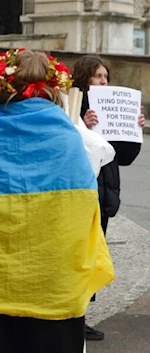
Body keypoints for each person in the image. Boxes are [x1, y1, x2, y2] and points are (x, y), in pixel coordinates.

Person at [0, 49, 114, 353]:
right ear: (52, 87)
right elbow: (84, 203)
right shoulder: (67, 135)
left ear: (4, 84)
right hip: (50, 289)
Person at [72, 54, 145, 341]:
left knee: (94, 257)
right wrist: (84, 127)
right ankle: (73, 316)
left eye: (105, 77)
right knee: (79, 256)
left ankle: (82, 316)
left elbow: (124, 157)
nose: (102, 81)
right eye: (97, 76)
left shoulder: (113, 109)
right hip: (82, 190)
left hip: (105, 195)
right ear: (84, 79)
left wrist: (134, 129)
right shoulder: (73, 107)